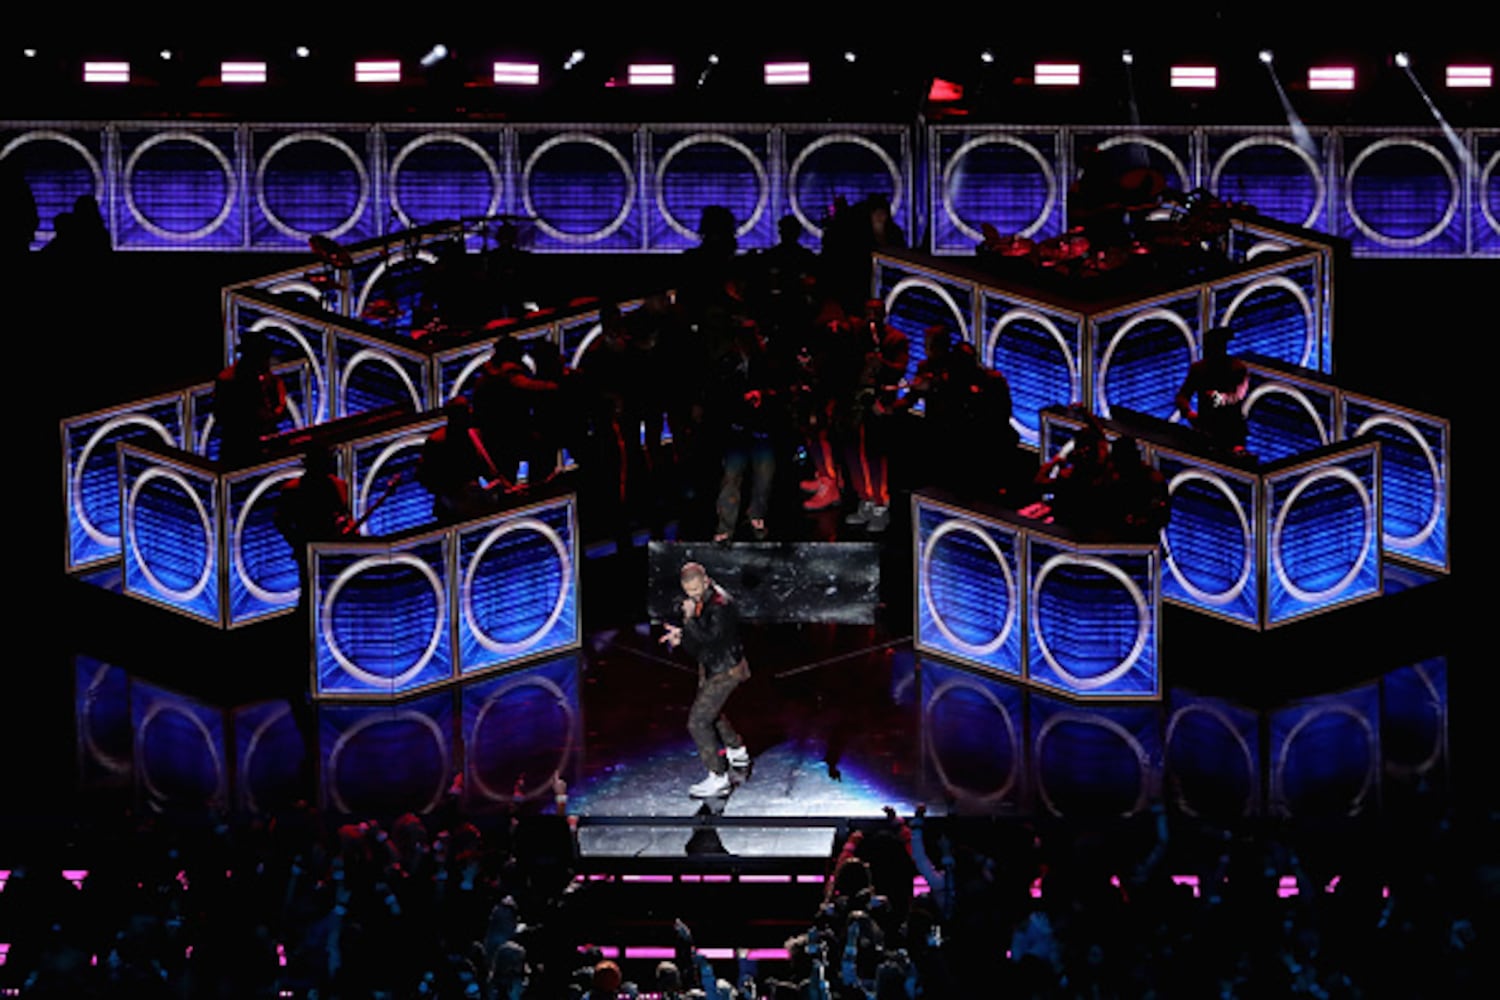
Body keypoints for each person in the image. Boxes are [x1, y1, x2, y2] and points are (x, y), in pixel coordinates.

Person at [659, 562, 751, 798]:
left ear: (706, 580)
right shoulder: (702, 600)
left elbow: (710, 639)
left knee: (698, 722)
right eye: (689, 591)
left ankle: (718, 777)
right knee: (713, 712)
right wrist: (682, 636)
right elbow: (701, 640)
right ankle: (737, 751)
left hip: (725, 670)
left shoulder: (719, 605)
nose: (693, 594)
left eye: (696, 589)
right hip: (713, 666)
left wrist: (689, 620)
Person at [214, 330, 288, 465]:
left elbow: (278, 407)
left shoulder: (267, 379)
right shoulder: (230, 381)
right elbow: (223, 415)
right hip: (241, 447)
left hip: (258, 443)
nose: (267, 361)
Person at [1175, 325, 1249, 454]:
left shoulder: (1237, 368)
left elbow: (1238, 394)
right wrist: (1188, 413)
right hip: (1206, 429)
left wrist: (1220, 398)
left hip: (1231, 432)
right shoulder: (1199, 369)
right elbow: (1183, 396)